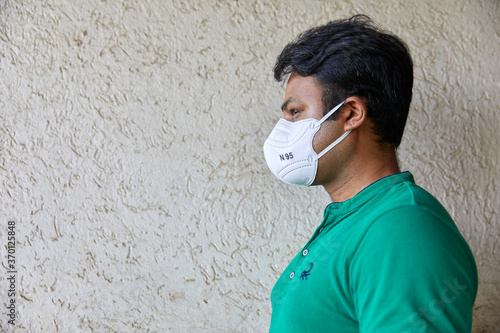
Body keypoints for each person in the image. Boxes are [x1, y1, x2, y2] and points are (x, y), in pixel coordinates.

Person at [263, 15, 477, 332]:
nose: (283, 130)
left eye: (295, 112)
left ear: (350, 113)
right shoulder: (356, 219)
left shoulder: (401, 229)